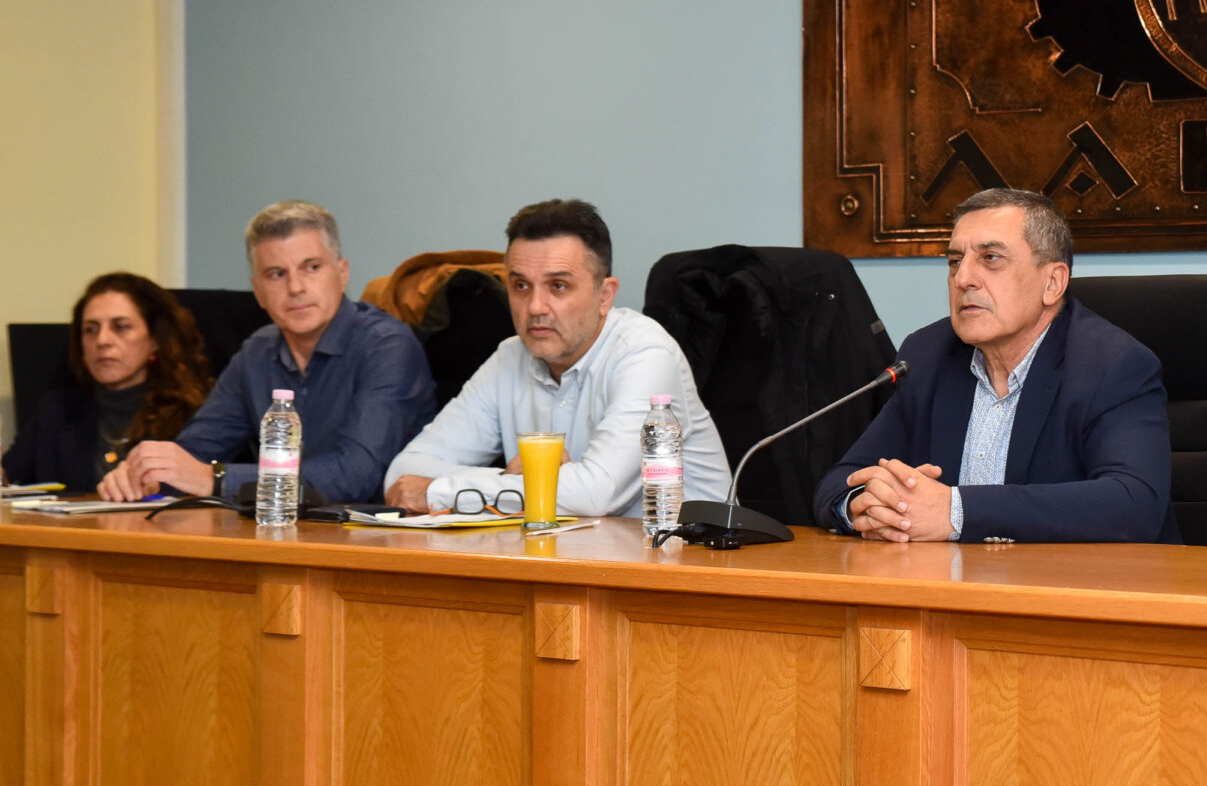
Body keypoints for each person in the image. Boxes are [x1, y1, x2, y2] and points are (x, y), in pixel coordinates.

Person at [812, 188, 1178, 544]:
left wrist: (956, 512)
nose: (962, 279)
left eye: (990, 258)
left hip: (1084, 581)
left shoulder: (1113, 365)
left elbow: (1134, 502)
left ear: (1053, 283)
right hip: (950, 579)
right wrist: (869, 507)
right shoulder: (927, 355)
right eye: (955, 261)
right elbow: (840, 482)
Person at [382, 199, 730, 518]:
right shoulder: (510, 357)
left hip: (689, 558)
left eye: (558, 286)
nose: (535, 307)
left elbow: (595, 494)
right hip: (577, 556)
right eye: (521, 286)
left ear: (605, 295)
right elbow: (403, 473)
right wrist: (509, 479)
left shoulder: (646, 355)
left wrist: (443, 491)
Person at [98, 201, 436, 504]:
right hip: (279, 532)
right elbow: (197, 451)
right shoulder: (258, 352)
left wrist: (215, 478)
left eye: (311, 267)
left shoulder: (387, 346)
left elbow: (355, 475)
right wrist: (147, 473)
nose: (296, 287)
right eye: (276, 274)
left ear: (342, 273)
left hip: (373, 540)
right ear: (257, 291)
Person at [2, 273, 213, 490]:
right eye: (90, 329)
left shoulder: (198, 414)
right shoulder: (57, 410)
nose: (102, 340)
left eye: (121, 327)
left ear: (156, 339)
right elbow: (8, 480)